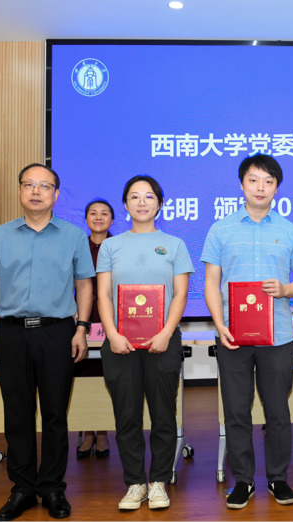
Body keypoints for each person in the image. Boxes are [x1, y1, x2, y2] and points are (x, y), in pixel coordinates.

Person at [0, 163, 94, 522]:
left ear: (56, 194)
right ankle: (23, 488)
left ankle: (53, 488)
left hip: (57, 332)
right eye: (29, 184)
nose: (36, 191)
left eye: (44, 186)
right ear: (19, 191)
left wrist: (81, 329)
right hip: (10, 332)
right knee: (18, 413)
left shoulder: (73, 235)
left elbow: (84, 285)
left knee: (56, 413)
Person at [202, 154, 293, 510]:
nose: (260, 187)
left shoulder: (290, 230)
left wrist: (285, 289)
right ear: (242, 185)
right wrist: (219, 325)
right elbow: (211, 282)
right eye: (253, 180)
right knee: (236, 411)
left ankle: (278, 478)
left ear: (277, 187)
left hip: (278, 336)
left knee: (277, 412)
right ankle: (243, 481)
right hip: (233, 336)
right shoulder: (221, 229)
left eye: (268, 181)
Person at [96, 176, 194, 511]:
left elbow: (180, 294)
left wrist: (166, 332)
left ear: (160, 203)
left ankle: (159, 481)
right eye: (134, 197)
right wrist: (112, 334)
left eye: (149, 196)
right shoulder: (111, 246)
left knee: (164, 414)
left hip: (163, 341)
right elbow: (103, 294)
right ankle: (135, 483)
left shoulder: (175, 245)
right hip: (119, 342)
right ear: (125, 204)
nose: (142, 202)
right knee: (127, 415)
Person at [75, 199, 114, 459]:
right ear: (86, 218)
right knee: (83, 377)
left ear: (112, 219)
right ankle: (87, 432)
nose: (98, 217)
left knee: (107, 376)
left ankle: (103, 433)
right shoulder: (77, 246)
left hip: (112, 321)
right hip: (82, 321)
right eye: (93, 213)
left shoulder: (119, 246)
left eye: (104, 213)